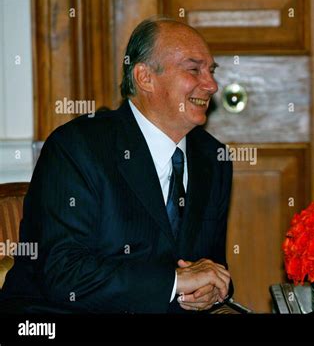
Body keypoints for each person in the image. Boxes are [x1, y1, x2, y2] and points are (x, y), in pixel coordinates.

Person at [1, 17, 233, 313]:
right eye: (194, 69)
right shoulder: (77, 148)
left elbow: (211, 265)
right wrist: (173, 282)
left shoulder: (213, 157)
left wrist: (210, 289)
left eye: (211, 71)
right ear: (144, 77)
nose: (211, 85)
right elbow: (64, 273)